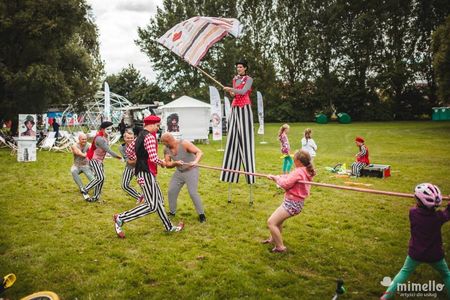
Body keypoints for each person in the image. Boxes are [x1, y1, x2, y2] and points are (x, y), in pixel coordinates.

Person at [113, 115, 184, 238]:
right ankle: (120, 218)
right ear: (150, 125)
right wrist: (162, 162)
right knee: (152, 205)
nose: (157, 128)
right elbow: (153, 157)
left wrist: (139, 158)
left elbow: (129, 152)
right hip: (145, 172)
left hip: (144, 172)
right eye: (157, 126)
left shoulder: (140, 135)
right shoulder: (150, 137)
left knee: (158, 201)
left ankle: (169, 227)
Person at [381, 183, 450, 299]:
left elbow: (418, 207)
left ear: (418, 201)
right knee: (446, 275)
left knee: (404, 272)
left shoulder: (412, 213)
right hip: (435, 254)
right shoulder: (439, 217)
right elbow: (448, 213)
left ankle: (385, 297)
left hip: (416, 253)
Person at [263, 150, 316, 253]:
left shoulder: (299, 171)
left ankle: (280, 247)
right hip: (296, 203)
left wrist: (277, 179)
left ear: (298, 161)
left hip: (292, 203)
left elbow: (286, 184)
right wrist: (277, 177)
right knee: (277, 222)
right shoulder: (304, 170)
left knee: (271, 222)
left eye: (294, 159)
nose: (293, 160)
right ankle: (273, 239)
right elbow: (289, 178)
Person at [221, 58, 256, 185]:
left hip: (244, 108)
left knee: (245, 137)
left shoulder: (249, 79)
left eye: (241, 67)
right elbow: (235, 94)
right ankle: (230, 173)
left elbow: (242, 92)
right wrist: (230, 91)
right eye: (237, 67)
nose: (239, 69)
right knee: (233, 136)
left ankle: (250, 174)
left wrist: (231, 89)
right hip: (235, 107)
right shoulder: (235, 79)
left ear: (245, 68)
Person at [160, 132, 206, 223]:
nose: (162, 144)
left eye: (163, 142)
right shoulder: (166, 149)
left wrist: (195, 161)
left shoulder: (184, 143)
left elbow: (199, 152)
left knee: (193, 193)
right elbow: (168, 164)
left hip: (191, 170)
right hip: (179, 172)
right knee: (171, 191)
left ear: (168, 140)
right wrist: (175, 163)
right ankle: (172, 212)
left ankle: (202, 215)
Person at [82, 121, 122, 202]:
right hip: (93, 159)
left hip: (99, 160)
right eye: (108, 129)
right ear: (103, 129)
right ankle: (85, 189)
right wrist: (120, 158)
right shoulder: (99, 138)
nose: (110, 130)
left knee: (101, 178)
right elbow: (108, 150)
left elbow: (104, 150)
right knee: (101, 177)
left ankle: (96, 197)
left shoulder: (105, 136)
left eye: (111, 128)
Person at [119, 129, 143, 204]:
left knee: (144, 185)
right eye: (128, 138)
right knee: (124, 185)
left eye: (131, 138)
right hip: (130, 166)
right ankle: (139, 197)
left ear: (134, 137)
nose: (130, 140)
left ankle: (153, 200)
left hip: (141, 167)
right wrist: (139, 159)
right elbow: (129, 162)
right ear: (124, 138)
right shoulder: (122, 147)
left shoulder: (139, 145)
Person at [70, 133, 95, 200]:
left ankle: (94, 188)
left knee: (94, 181)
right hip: (77, 165)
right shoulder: (74, 146)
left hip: (86, 165)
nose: (84, 140)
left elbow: (93, 152)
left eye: (85, 139)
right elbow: (80, 154)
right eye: (83, 139)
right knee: (73, 171)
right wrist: (88, 153)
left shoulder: (89, 145)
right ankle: (81, 188)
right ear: (79, 139)